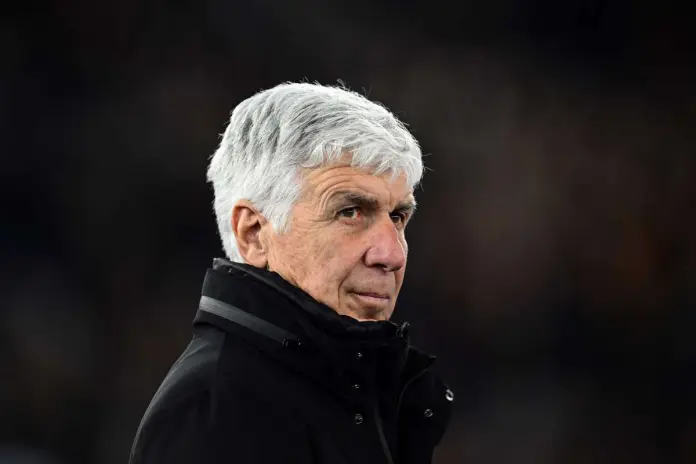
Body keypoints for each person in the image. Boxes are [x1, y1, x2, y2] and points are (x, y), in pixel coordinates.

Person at [129, 82, 453, 464]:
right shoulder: (216, 412)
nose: (392, 254)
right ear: (254, 234)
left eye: (397, 217)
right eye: (350, 212)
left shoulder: (356, 394)